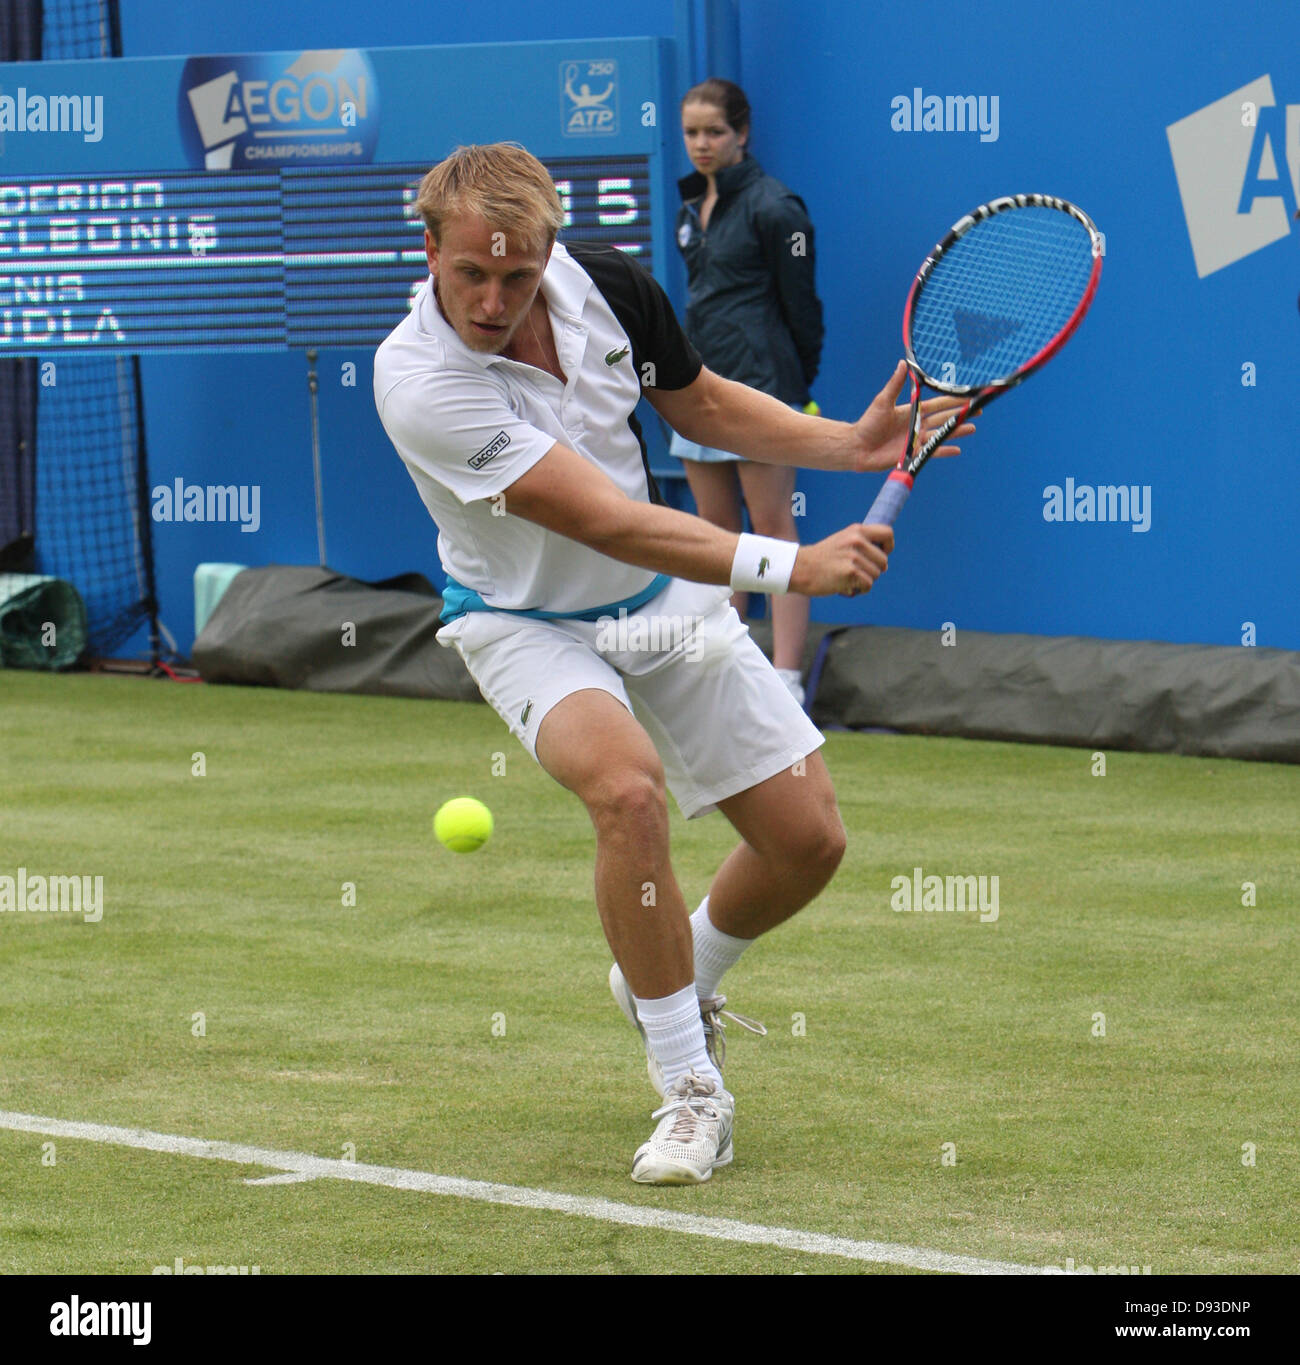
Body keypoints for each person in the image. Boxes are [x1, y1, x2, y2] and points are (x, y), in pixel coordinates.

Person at [373, 143, 972, 1185]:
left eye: (515, 278)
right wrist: (794, 566)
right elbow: (609, 518)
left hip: (654, 601)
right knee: (626, 793)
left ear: (550, 252)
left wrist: (853, 446)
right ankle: (690, 1090)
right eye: (470, 272)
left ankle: (674, 972)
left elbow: (700, 405)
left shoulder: (605, 283)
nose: (491, 298)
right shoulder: (419, 381)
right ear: (429, 250)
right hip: (525, 622)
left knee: (807, 842)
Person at [671, 79, 821, 706]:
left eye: (714, 132)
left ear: (742, 134)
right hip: (695, 386)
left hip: (762, 390)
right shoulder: (689, 210)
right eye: (691, 133)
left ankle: (785, 675)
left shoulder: (776, 208)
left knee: (771, 528)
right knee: (715, 533)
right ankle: (727, 660)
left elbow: (802, 307)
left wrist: (795, 390)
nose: (701, 145)